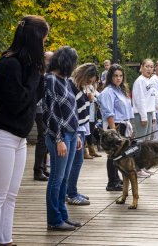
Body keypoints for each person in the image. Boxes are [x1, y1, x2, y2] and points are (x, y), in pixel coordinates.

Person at [0, 15, 49, 245]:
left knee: (11, 195)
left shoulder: (27, 67)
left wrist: (36, 75)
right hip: (2, 134)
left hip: (19, 138)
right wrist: (36, 76)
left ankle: (6, 239)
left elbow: (35, 96)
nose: (45, 45)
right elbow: (18, 103)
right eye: (44, 40)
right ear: (35, 39)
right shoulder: (9, 64)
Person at [43, 46, 81, 231]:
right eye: (74, 62)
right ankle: (54, 219)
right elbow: (51, 113)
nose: (75, 66)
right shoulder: (49, 80)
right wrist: (58, 139)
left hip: (72, 134)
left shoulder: (65, 80)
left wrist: (78, 133)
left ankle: (63, 216)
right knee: (56, 179)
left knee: (64, 178)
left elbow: (71, 108)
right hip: (60, 135)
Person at [66, 63, 99, 206]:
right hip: (77, 128)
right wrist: (78, 133)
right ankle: (71, 193)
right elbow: (73, 111)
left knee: (77, 162)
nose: (89, 83)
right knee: (76, 162)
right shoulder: (72, 86)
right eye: (88, 80)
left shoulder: (80, 86)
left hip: (82, 127)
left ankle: (72, 190)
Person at [99, 64, 135, 189]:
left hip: (123, 124)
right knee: (113, 154)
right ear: (110, 77)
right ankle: (112, 181)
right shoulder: (108, 91)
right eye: (115, 76)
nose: (118, 78)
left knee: (121, 154)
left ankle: (117, 178)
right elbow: (108, 112)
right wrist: (113, 131)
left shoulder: (121, 89)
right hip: (114, 126)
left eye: (120, 76)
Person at [33, 51, 53, 181]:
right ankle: (38, 170)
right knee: (42, 138)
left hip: (46, 109)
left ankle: (43, 167)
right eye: (49, 59)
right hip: (40, 108)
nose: (51, 61)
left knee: (45, 139)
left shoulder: (49, 73)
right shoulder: (40, 72)